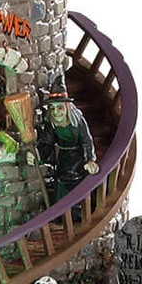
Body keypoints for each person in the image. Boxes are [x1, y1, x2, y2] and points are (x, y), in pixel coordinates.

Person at [37, 76, 99, 213]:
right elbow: (47, 142)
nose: (56, 112)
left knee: (78, 186)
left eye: (59, 108)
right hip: (64, 159)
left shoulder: (78, 122)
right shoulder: (52, 124)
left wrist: (89, 159)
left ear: (67, 107)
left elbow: (86, 141)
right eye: (52, 108)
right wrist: (38, 155)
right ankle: (62, 215)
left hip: (78, 158)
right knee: (62, 185)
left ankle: (78, 213)